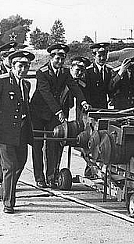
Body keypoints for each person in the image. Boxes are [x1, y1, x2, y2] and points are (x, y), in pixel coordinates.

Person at [0, 49, 35, 214]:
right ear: (12, 66)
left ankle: (3, 185)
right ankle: (8, 203)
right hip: (4, 132)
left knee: (21, 162)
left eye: (26, 66)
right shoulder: (0, 81)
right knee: (10, 166)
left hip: (21, 132)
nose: (22, 70)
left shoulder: (26, 84)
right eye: (19, 66)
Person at [30, 44, 90, 188]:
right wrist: (58, 111)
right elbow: (46, 94)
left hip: (54, 115)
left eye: (63, 59)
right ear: (51, 58)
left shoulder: (64, 72)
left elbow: (74, 87)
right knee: (37, 146)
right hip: (39, 113)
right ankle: (39, 177)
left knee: (53, 144)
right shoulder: (41, 72)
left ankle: (51, 177)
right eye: (57, 58)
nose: (60, 62)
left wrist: (83, 102)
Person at [0, 41, 23, 185]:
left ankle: (4, 177)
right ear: (3, 57)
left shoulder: (20, 70)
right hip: (1, 118)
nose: (12, 58)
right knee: (8, 154)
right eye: (9, 56)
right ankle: (3, 178)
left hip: (15, 119)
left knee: (13, 154)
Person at [85, 42, 114, 109]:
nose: (102, 58)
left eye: (104, 55)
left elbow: (109, 87)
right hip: (90, 107)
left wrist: (111, 97)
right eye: (99, 56)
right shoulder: (88, 71)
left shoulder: (109, 70)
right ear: (94, 56)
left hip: (103, 107)